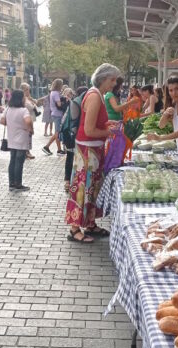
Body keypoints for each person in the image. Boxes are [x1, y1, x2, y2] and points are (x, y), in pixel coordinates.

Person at [65, 63, 122, 244]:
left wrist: (109, 124)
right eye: (112, 79)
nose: (114, 83)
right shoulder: (95, 96)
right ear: (104, 78)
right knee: (83, 188)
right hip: (88, 151)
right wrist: (110, 132)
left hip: (92, 150)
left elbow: (94, 124)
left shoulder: (97, 94)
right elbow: (89, 130)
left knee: (92, 188)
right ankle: (74, 229)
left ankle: (90, 223)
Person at [147, 76, 178, 166]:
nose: (174, 93)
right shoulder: (174, 105)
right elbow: (161, 125)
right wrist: (165, 114)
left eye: (177, 89)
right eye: (171, 90)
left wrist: (160, 138)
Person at [1, 90, 32, 192]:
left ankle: (11, 183)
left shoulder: (8, 109)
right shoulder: (23, 110)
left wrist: (11, 125)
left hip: (11, 138)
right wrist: (30, 129)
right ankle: (18, 184)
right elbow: (28, 121)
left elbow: (2, 121)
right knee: (19, 162)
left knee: (12, 161)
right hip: (22, 138)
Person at [63, 86, 89, 193]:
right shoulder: (76, 103)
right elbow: (73, 122)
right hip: (71, 134)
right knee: (70, 157)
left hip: (71, 134)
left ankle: (69, 181)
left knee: (72, 158)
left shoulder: (77, 102)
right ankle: (68, 181)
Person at [43, 79, 66, 156]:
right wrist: (65, 103)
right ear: (59, 85)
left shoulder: (52, 92)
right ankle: (56, 149)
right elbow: (59, 104)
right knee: (57, 133)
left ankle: (50, 147)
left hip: (54, 113)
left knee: (57, 132)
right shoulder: (56, 93)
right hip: (57, 114)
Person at [20, 83, 38, 160]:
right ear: (23, 90)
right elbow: (29, 107)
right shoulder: (22, 98)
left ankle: (27, 151)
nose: (28, 91)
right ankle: (26, 152)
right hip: (26, 119)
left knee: (29, 136)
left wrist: (31, 99)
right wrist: (33, 105)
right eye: (27, 89)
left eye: (28, 89)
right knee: (27, 136)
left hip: (30, 119)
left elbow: (36, 102)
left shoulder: (27, 98)